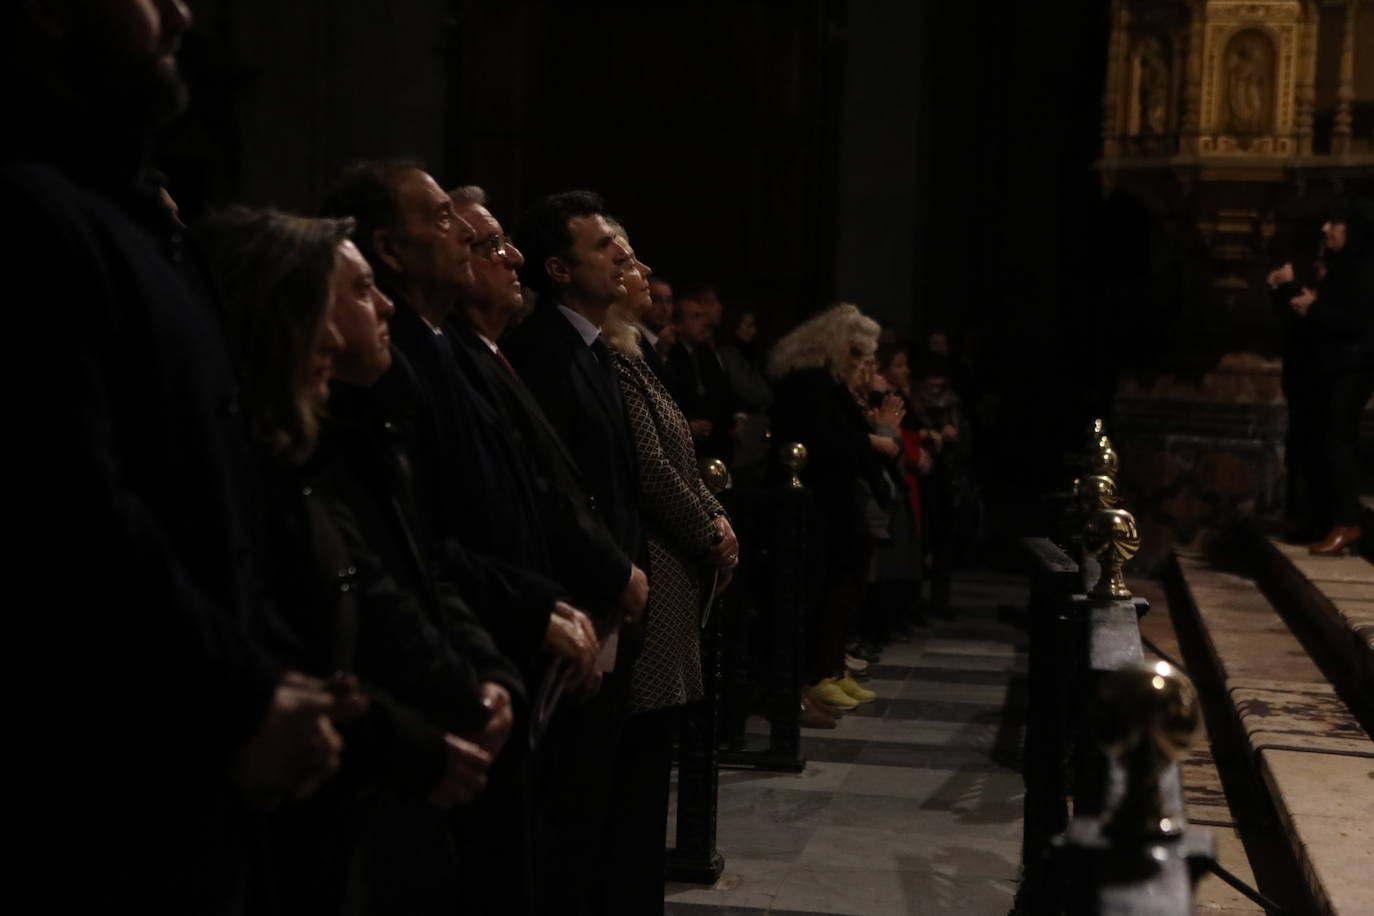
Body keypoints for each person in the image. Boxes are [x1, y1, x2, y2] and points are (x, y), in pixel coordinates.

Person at [4, 3, 341, 910]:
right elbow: (69, 506)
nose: (182, 12)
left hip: (182, 778)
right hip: (97, 783)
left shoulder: (124, 221)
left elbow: (214, 504)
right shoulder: (31, 213)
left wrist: (269, 684)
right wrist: (245, 697)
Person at [505, 189, 646, 915]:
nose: (622, 254)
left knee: (595, 794)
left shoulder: (593, 350)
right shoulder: (545, 354)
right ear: (558, 269)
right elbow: (560, 492)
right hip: (579, 599)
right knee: (565, 801)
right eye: (601, 247)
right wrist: (612, 576)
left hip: (610, 602)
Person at [600, 223, 740, 911]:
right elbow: (652, 469)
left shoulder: (630, 355)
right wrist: (711, 525)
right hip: (652, 571)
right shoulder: (610, 357)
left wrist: (717, 515)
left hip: (675, 572)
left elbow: (676, 455)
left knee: (656, 762)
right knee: (638, 765)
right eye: (624, 260)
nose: (644, 271)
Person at [768, 304, 891, 725]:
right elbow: (825, 439)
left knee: (834, 593)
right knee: (811, 597)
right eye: (856, 352)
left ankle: (818, 675)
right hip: (813, 506)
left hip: (831, 504)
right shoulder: (809, 382)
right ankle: (801, 684)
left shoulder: (824, 382)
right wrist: (872, 443)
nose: (861, 363)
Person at [1283, 196, 1374, 555]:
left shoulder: (1365, 266)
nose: (1326, 229)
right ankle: (1328, 517)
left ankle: (1346, 522)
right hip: (1336, 365)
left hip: (1352, 366)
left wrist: (1313, 307)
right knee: (1325, 440)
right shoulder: (1346, 264)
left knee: (1338, 441)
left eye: (1335, 222)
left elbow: (1356, 321)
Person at [717, 306, 773, 482]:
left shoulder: (750, 355)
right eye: (748, 326)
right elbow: (747, 390)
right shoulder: (729, 354)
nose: (753, 331)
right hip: (746, 432)